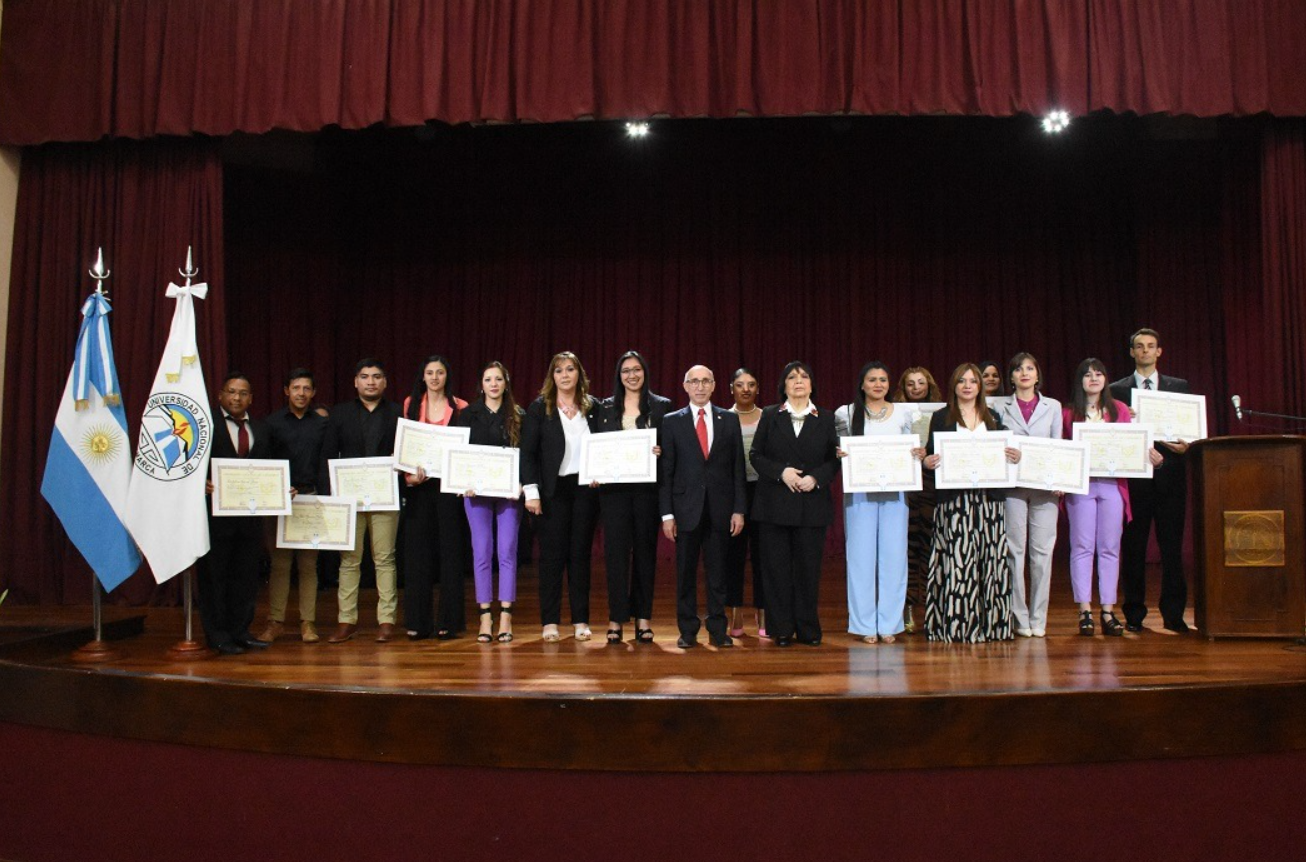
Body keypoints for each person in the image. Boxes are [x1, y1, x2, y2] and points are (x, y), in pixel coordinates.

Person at [921, 363, 1020, 643]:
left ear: (980, 386)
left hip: (989, 501)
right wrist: (928, 461)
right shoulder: (941, 417)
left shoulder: (994, 418)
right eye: (961, 381)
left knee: (990, 561)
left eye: (973, 381)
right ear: (954, 385)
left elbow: (1002, 455)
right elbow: (930, 455)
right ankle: (956, 624)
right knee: (957, 561)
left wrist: (1013, 457)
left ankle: (993, 626)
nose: (967, 385)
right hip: (954, 502)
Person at [1067, 358, 1162, 635]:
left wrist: (1149, 455)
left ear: (1106, 379)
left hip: (1112, 486)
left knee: (1110, 548)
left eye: (1099, 373)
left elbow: (1132, 446)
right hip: (1080, 487)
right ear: (1080, 381)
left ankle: (1107, 610)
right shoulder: (1068, 413)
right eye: (1087, 374)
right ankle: (1084, 610)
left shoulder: (1119, 409)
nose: (1093, 378)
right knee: (1082, 547)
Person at [1109, 328, 1194, 634]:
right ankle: (1133, 614)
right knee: (1133, 546)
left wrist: (1187, 445)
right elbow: (1112, 436)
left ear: (1159, 351)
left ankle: (1174, 614)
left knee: (1172, 547)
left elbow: (1191, 430)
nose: (1145, 351)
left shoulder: (1178, 387)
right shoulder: (1117, 390)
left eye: (1151, 346)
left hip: (1171, 476)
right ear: (1131, 352)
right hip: (1135, 478)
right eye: (1139, 347)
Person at [749, 361, 840, 647]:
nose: (798, 381)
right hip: (774, 506)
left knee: (807, 571)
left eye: (804, 376)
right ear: (784, 385)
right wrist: (781, 472)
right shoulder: (770, 415)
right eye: (791, 377)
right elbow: (756, 455)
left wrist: (817, 477)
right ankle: (782, 629)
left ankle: (808, 628)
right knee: (776, 571)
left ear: (812, 384)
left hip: (812, 505)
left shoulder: (826, 418)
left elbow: (834, 458)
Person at [834, 362, 923, 644]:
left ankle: (890, 623)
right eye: (872, 380)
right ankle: (863, 625)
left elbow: (915, 446)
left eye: (883, 380)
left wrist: (918, 452)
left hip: (896, 494)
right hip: (859, 493)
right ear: (862, 384)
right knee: (860, 559)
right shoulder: (846, 413)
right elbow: (837, 447)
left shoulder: (904, 413)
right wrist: (838, 452)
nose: (878, 384)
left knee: (894, 558)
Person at [659, 364, 746, 648]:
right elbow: (667, 471)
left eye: (705, 381)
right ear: (685, 386)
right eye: (694, 381)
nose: (699, 386)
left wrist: (739, 509)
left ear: (714, 385)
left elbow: (737, 470)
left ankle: (718, 630)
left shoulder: (728, 420)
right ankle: (687, 630)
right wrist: (667, 514)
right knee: (684, 574)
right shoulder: (671, 421)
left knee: (718, 573)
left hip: (721, 509)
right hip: (685, 510)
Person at [319, 358, 403, 644]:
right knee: (349, 561)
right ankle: (346, 620)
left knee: (385, 559)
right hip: (349, 500)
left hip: (385, 497)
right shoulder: (339, 414)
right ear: (355, 382)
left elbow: (406, 454)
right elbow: (328, 456)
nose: (371, 381)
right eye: (365, 376)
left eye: (377, 376)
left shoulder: (397, 413)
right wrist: (331, 495)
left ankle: (387, 620)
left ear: (385, 382)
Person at [521, 352, 599, 642]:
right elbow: (527, 454)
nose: (565, 375)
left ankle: (581, 620)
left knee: (579, 556)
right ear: (551, 377)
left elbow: (606, 446)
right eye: (559, 371)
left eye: (570, 369)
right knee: (552, 558)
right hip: (551, 492)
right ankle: (550, 621)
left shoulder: (593, 407)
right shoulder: (539, 409)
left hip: (584, 492)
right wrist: (532, 491)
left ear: (579, 373)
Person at [200, 373, 277, 655]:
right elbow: (190, 464)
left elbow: (270, 468)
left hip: (250, 518)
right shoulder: (205, 426)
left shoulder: (261, 428)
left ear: (251, 399)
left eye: (243, 393)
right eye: (231, 392)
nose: (236, 398)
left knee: (246, 577)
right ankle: (217, 634)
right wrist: (200, 483)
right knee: (215, 576)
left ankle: (240, 631)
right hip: (215, 518)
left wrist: (281, 489)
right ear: (220, 395)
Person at [596, 351, 670, 644]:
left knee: (644, 554)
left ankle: (643, 617)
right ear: (619, 375)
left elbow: (669, 450)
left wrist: (660, 452)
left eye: (637, 370)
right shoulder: (604, 407)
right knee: (614, 556)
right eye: (626, 371)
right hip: (613, 493)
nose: (631, 375)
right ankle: (616, 617)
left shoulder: (662, 407)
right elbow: (596, 448)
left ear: (645, 372)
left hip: (646, 492)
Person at [400, 355, 469, 640]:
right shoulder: (410, 404)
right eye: (429, 372)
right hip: (419, 489)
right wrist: (409, 477)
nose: (435, 377)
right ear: (423, 376)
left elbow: (466, 450)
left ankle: (449, 622)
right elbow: (404, 447)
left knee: (451, 554)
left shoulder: (461, 407)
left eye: (440, 372)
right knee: (418, 555)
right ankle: (418, 621)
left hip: (449, 490)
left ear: (447, 376)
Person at [258, 368, 328, 644]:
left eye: (306, 389)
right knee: (280, 564)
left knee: (309, 567)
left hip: (312, 499)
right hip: (280, 502)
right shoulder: (271, 424)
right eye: (296, 388)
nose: (301, 393)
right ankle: (275, 622)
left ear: (313, 393)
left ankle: (307, 623)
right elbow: (263, 463)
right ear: (286, 390)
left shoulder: (322, 424)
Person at [455, 361, 523, 644]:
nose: (493, 384)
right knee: (481, 551)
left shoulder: (519, 415)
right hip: (476, 494)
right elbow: (458, 454)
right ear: (481, 384)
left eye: (498, 379)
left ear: (506, 383)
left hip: (509, 495)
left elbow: (526, 455)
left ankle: (506, 613)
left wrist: (520, 484)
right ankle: (485, 614)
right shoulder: (467, 415)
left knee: (506, 550)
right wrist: (461, 481)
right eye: (488, 379)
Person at [997, 353, 1062, 638]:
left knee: (1042, 553)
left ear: (1037, 375)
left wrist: (1061, 477)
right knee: (1014, 551)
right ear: (1010, 376)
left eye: (1029, 368)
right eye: (1018, 369)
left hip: (1045, 489)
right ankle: (1019, 617)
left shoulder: (1053, 406)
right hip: (1011, 486)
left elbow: (1058, 446)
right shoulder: (998, 406)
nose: (1024, 373)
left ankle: (1039, 617)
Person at [892, 366, 942, 632]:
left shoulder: (942, 413)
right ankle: (908, 604)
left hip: (932, 485)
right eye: (910, 383)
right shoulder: (895, 412)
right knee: (908, 546)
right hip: (906, 483)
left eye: (921, 383)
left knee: (929, 545)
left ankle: (931, 605)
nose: (916, 387)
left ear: (929, 385)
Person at [725, 368, 766, 638]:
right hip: (731, 496)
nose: (746, 389)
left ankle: (763, 613)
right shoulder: (723, 418)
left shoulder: (769, 417)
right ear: (731, 389)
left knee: (764, 557)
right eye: (740, 385)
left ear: (758, 388)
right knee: (733, 557)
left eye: (751, 384)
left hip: (764, 494)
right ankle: (734, 614)